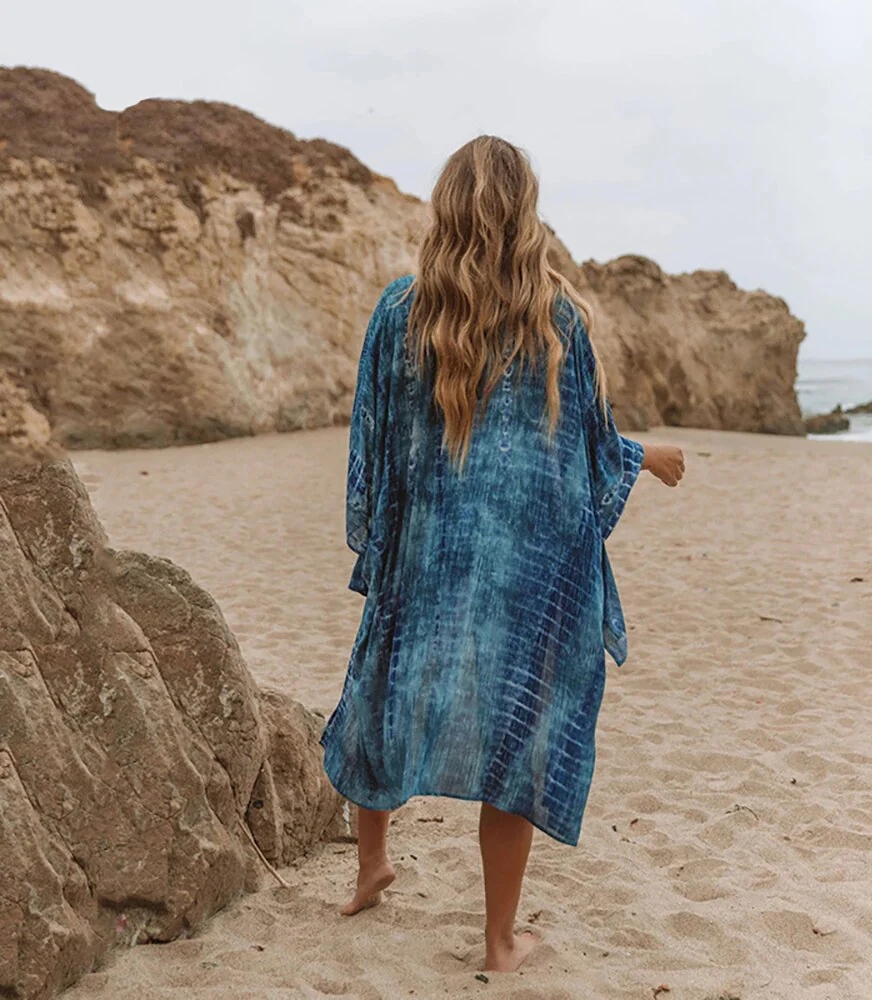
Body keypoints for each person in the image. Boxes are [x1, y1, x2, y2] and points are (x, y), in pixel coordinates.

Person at [319, 135, 685, 973]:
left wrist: (379, 540)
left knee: (378, 696)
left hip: (425, 560)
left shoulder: (399, 312)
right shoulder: (557, 321)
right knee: (514, 735)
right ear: (526, 214)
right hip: (529, 577)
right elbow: (579, 454)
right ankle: (496, 942)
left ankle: (372, 863)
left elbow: (371, 444)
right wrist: (643, 456)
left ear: (443, 208)